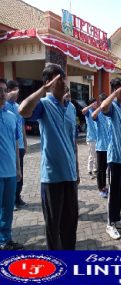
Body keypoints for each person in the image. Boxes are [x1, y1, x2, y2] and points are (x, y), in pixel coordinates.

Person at [19, 64, 79, 250]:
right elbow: (23, 110)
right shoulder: (43, 105)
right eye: (58, 78)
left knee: (70, 226)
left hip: (70, 176)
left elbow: (72, 141)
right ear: (48, 82)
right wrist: (43, 90)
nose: (63, 81)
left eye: (63, 77)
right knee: (53, 229)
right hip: (52, 177)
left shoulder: (71, 108)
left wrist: (76, 168)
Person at [101, 78, 121, 240]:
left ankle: (117, 218)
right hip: (114, 158)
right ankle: (109, 224)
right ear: (115, 90)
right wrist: (113, 94)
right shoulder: (112, 107)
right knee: (113, 193)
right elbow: (103, 107)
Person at [0, 78, 23, 250]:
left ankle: (6, 240)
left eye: (3, 90)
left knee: (7, 210)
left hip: (9, 172)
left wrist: (18, 168)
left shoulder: (11, 116)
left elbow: (16, 143)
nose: (2, 94)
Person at [6, 80, 27, 209]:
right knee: (12, 174)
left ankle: (18, 197)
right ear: (8, 91)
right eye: (15, 91)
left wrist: (25, 142)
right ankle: (12, 200)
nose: (17, 94)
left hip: (19, 146)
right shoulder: (5, 106)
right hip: (10, 146)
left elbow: (22, 125)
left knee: (20, 173)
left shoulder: (18, 106)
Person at [92, 93, 110, 198]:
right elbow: (93, 115)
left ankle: (104, 186)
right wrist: (100, 107)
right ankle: (101, 188)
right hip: (100, 146)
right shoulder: (98, 114)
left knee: (106, 168)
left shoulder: (108, 114)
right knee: (100, 169)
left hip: (108, 147)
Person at [82, 99, 98, 179]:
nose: (96, 104)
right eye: (95, 103)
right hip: (91, 137)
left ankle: (95, 169)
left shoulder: (96, 111)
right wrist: (90, 106)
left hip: (97, 137)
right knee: (92, 154)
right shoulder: (89, 112)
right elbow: (83, 111)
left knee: (96, 154)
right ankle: (90, 170)